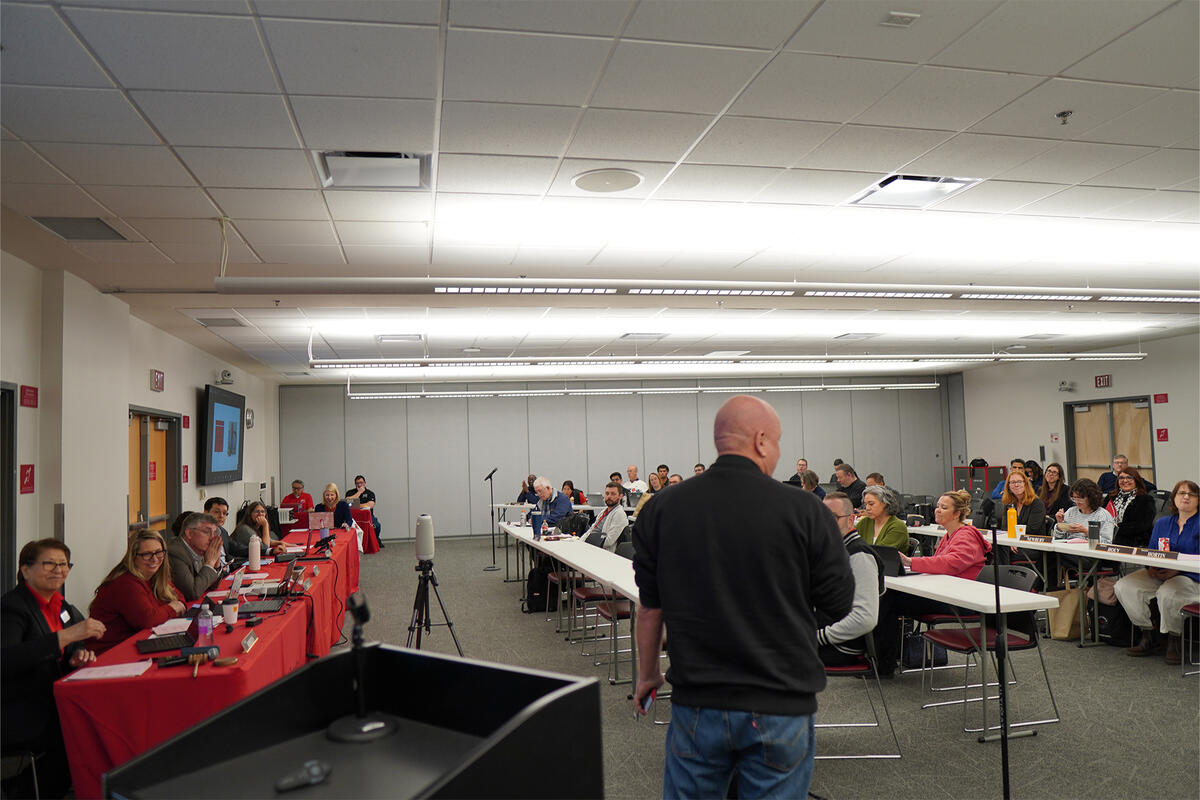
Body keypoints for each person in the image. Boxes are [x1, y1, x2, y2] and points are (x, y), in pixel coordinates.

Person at [632, 395, 852, 799]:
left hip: (697, 700)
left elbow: (650, 606)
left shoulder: (661, 509)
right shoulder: (807, 510)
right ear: (762, 440)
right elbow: (838, 603)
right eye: (780, 442)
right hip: (781, 700)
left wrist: (647, 674)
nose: (779, 452)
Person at [2, 539, 105, 799]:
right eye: (49, 563)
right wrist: (65, 638)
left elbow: (72, 646)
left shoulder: (61, 607)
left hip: (52, 699)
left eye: (63, 564)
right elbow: (6, 659)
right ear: (25, 570)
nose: (58, 570)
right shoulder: (12, 607)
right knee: (83, 730)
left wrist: (78, 654)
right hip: (20, 707)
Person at [874, 490, 992, 676]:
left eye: (943, 508)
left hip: (960, 600)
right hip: (945, 593)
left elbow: (950, 564)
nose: (937, 510)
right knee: (888, 596)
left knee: (889, 600)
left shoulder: (966, 536)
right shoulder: (949, 535)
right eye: (937, 506)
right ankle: (885, 657)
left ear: (957, 514)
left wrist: (912, 562)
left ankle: (884, 662)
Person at [1115, 480, 1198, 665]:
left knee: (1168, 592)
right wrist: (1150, 568)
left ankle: (1174, 639)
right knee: (1124, 586)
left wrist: (1177, 570)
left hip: (1192, 577)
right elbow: (1151, 551)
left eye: (1191, 494)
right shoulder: (1162, 523)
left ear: (1198, 500)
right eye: (1181, 493)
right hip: (1160, 573)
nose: (1186, 497)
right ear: (1173, 498)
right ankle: (1147, 633)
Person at [89, 530, 186, 654]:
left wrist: (171, 607)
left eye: (159, 552)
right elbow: (148, 619)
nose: (154, 559)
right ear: (133, 557)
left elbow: (180, 598)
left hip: (136, 645)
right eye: (147, 554)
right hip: (109, 653)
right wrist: (172, 608)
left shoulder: (155, 576)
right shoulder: (125, 583)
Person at [818, 493, 884, 667]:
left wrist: (817, 637)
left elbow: (865, 619)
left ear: (850, 520)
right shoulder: (836, 550)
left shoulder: (859, 556)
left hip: (840, 646)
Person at [167, 512, 226, 601]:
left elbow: (212, 586)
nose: (212, 538)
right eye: (207, 532)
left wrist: (216, 564)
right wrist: (209, 563)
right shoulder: (175, 553)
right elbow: (192, 593)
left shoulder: (200, 548)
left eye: (214, 533)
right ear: (189, 533)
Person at [1105, 467, 1157, 548]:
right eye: (1121, 478)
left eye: (1129, 478)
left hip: (1133, 542)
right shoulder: (1111, 497)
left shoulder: (1145, 499)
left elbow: (1143, 525)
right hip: (1107, 537)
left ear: (1136, 480)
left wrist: (1117, 527)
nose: (1125, 481)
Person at [1054, 478, 1115, 543]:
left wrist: (1086, 531)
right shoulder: (1070, 512)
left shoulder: (1102, 516)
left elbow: (1106, 543)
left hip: (1089, 551)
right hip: (1069, 550)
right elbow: (1058, 539)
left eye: (1081, 498)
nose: (1077, 502)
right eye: (1074, 498)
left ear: (1091, 497)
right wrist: (1060, 525)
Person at [856, 485, 908, 550]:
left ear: (885, 503)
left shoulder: (898, 526)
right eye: (865, 504)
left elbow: (880, 553)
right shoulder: (864, 522)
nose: (867, 508)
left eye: (871, 504)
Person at [583, 482, 630, 551]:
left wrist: (588, 546)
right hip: (592, 545)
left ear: (620, 496)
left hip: (602, 551)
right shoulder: (603, 512)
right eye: (607, 493)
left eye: (613, 494)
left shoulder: (619, 514)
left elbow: (608, 542)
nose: (609, 496)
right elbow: (591, 530)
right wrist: (580, 542)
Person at [1001, 468, 1047, 536]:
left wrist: (1014, 537)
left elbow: (1032, 529)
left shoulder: (1037, 503)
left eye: (1019, 481)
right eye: (1013, 482)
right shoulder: (1009, 503)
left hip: (1032, 542)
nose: (1016, 485)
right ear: (1009, 486)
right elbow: (1005, 527)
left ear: (1025, 484)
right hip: (1013, 539)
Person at [346, 474, 383, 538]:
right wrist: (359, 492)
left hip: (368, 515)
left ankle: (376, 540)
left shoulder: (370, 493)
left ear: (365, 483)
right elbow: (346, 503)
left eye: (361, 483)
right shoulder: (350, 492)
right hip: (353, 516)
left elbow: (370, 505)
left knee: (377, 526)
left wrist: (354, 504)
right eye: (357, 483)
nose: (359, 485)